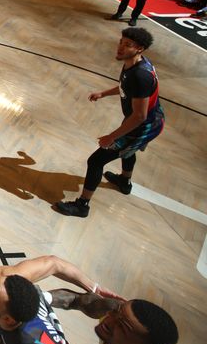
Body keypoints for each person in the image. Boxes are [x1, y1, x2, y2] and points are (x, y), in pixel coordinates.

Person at [56, 28, 163, 218]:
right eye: (121, 42)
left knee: (96, 160)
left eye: (127, 45)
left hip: (142, 126)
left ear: (140, 48)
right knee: (128, 151)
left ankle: (82, 205)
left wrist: (111, 137)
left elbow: (139, 116)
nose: (120, 47)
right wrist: (103, 94)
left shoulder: (140, 75)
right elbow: (125, 86)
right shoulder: (133, 64)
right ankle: (124, 181)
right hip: (146, 120)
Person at [50, 290, 178, 344]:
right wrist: (37, 297)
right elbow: (75, 300)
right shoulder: (111, 310)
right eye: (117, 311)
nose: (108, 320)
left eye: (122, 327)